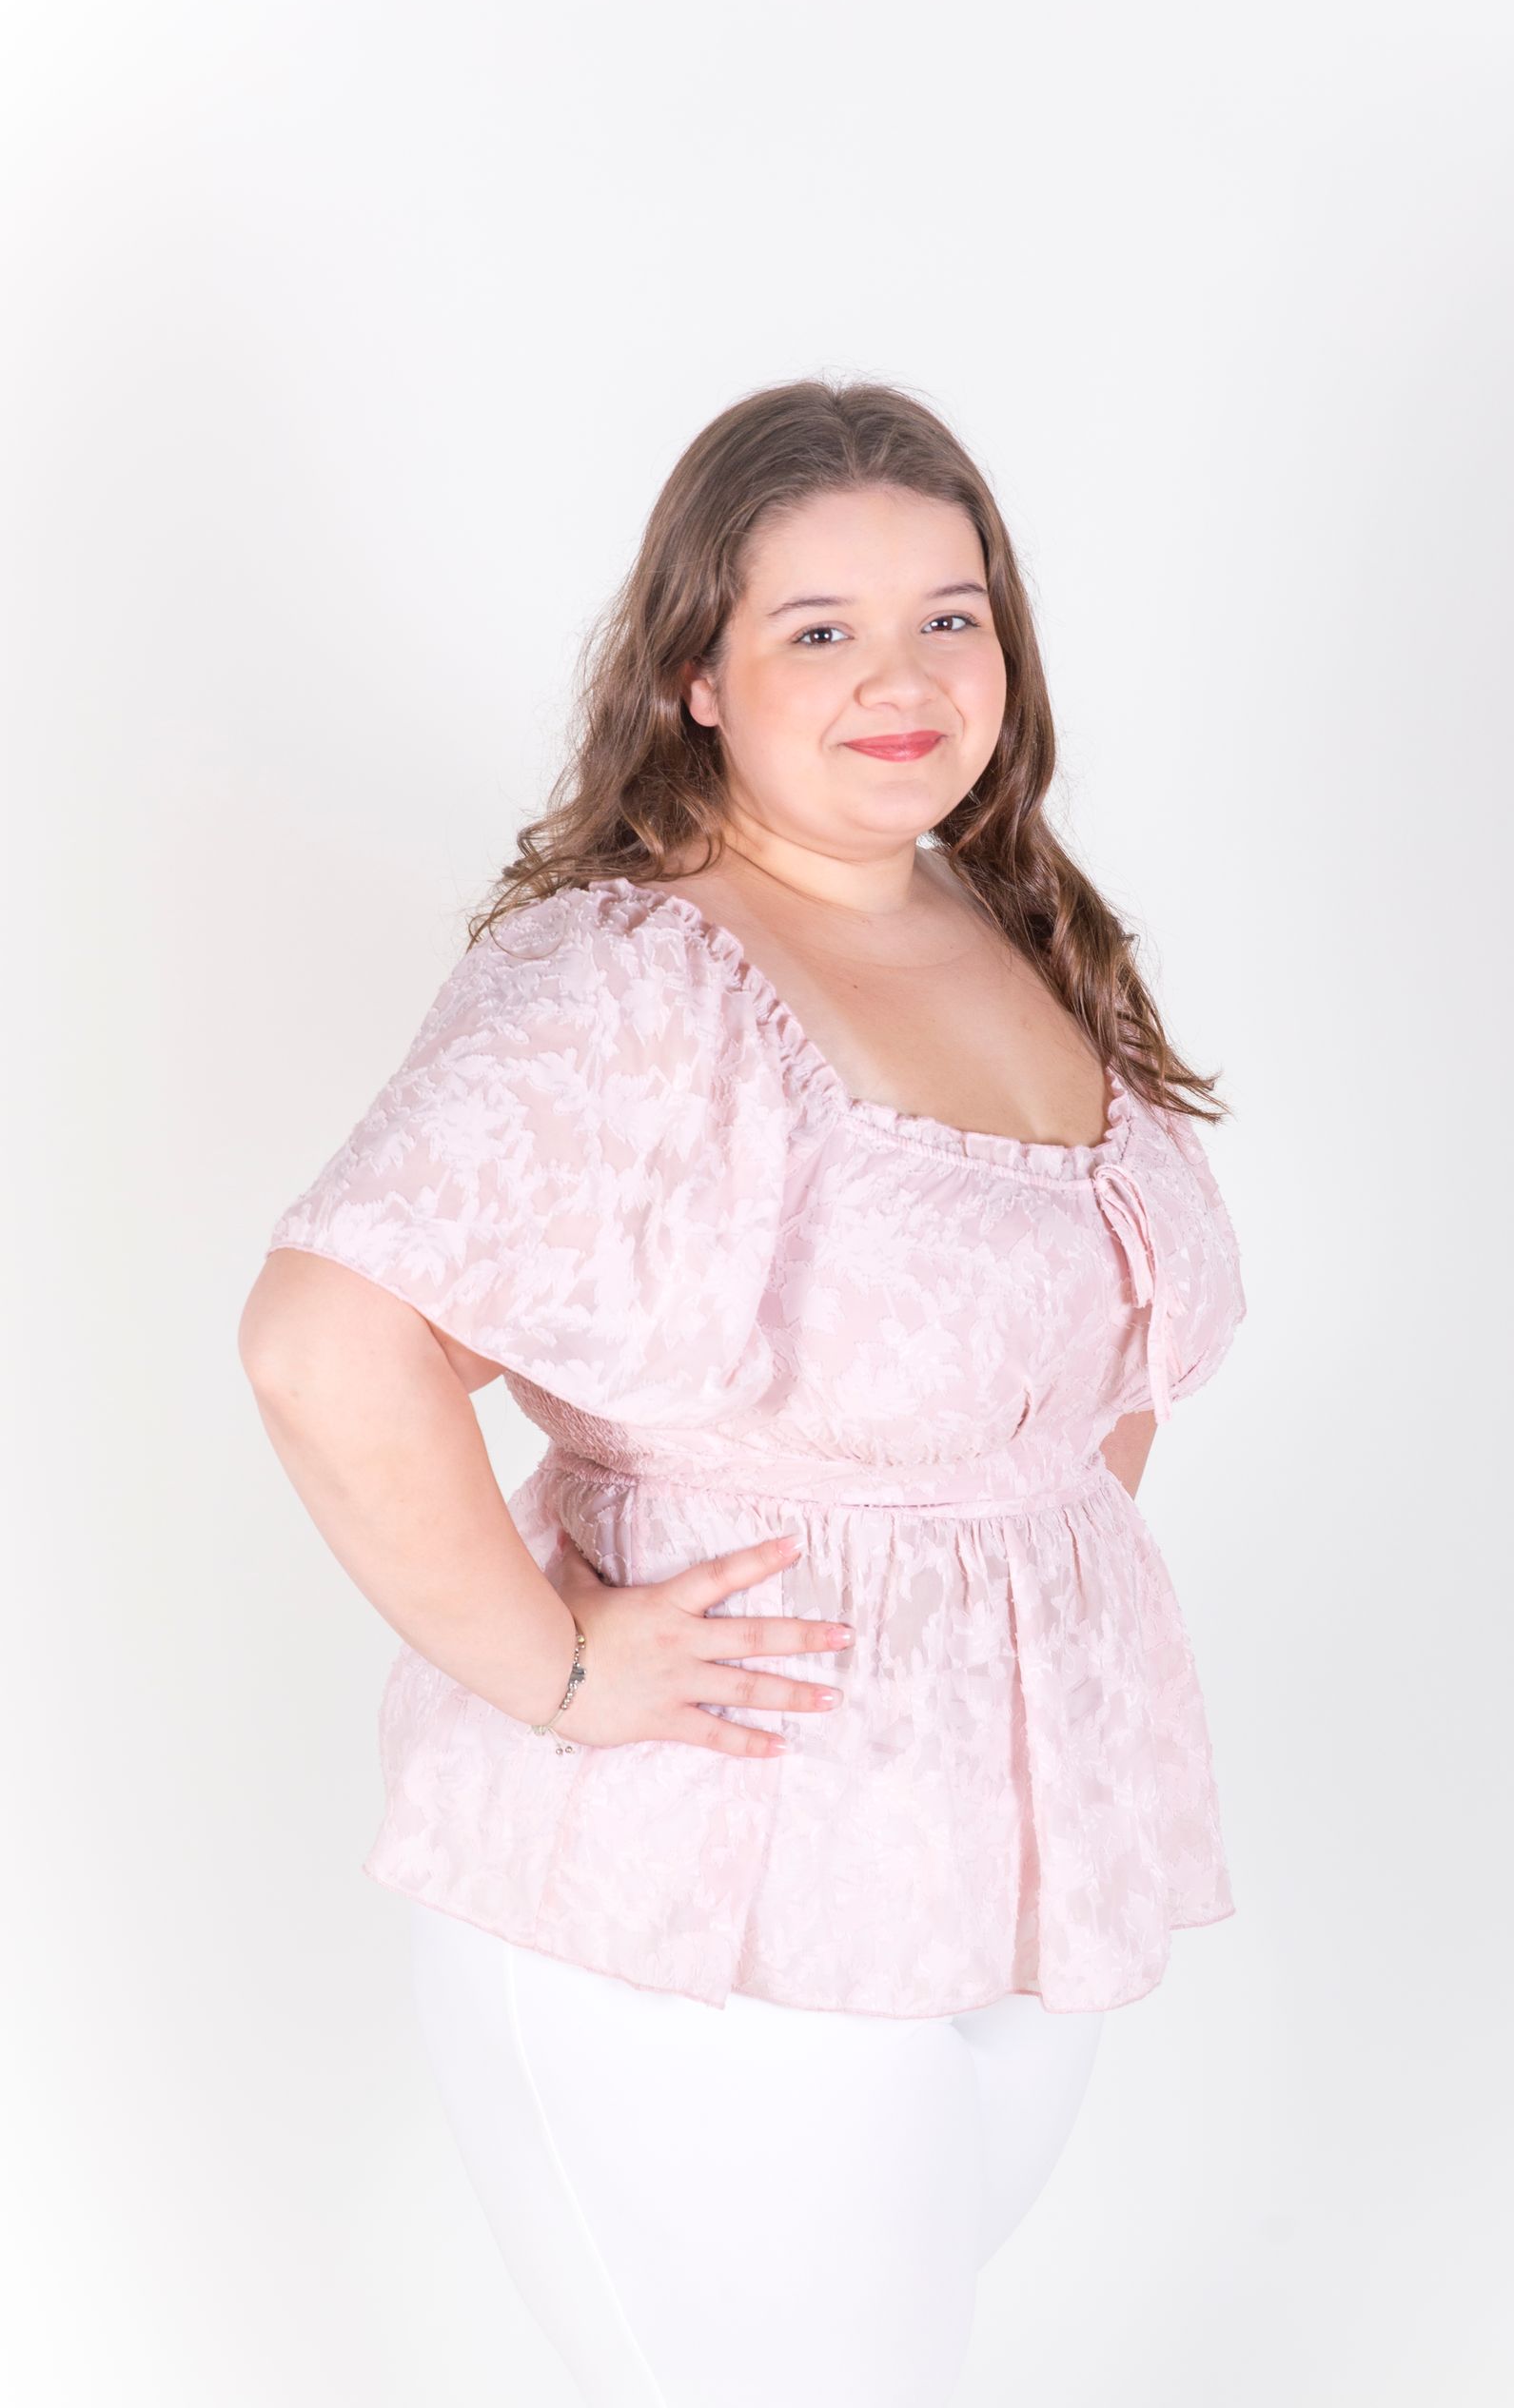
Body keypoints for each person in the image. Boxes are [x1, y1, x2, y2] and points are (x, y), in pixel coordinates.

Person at [239, 377, 1248, 2408]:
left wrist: (1006, 1599)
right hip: (709, 1883)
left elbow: (1085, 1370)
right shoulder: (636, 980)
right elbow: (324, 1334)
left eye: (950, 617)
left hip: (986, 1861)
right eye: (820, 630)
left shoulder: (1008, 924)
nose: (904, 679)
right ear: (696, 673)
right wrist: (555, 1669)